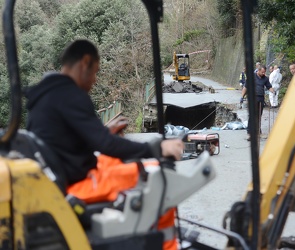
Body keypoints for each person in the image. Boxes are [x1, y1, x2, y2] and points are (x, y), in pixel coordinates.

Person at [25, 39, 183, 250]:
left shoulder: (46, 95)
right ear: (85, 62)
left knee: (118, 162)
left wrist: (105, 132)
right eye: (95, 71)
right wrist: (156, 148)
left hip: (60, 175)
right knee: (161, 179)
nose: (95, 80)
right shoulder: (71, 94)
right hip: (75, 184)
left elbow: (63, 139)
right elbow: (105, 144)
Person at [240, 65, 275, 141]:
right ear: (258, 71)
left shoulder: (265, 79)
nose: (263, 73)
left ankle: (258, 132)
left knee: (259, 116)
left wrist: (273, 91)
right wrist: (242, 96)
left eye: (264, 72)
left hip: (260, 98)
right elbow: (245, 87)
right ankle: (249, 133)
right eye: (262, 72)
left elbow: (269, 86)